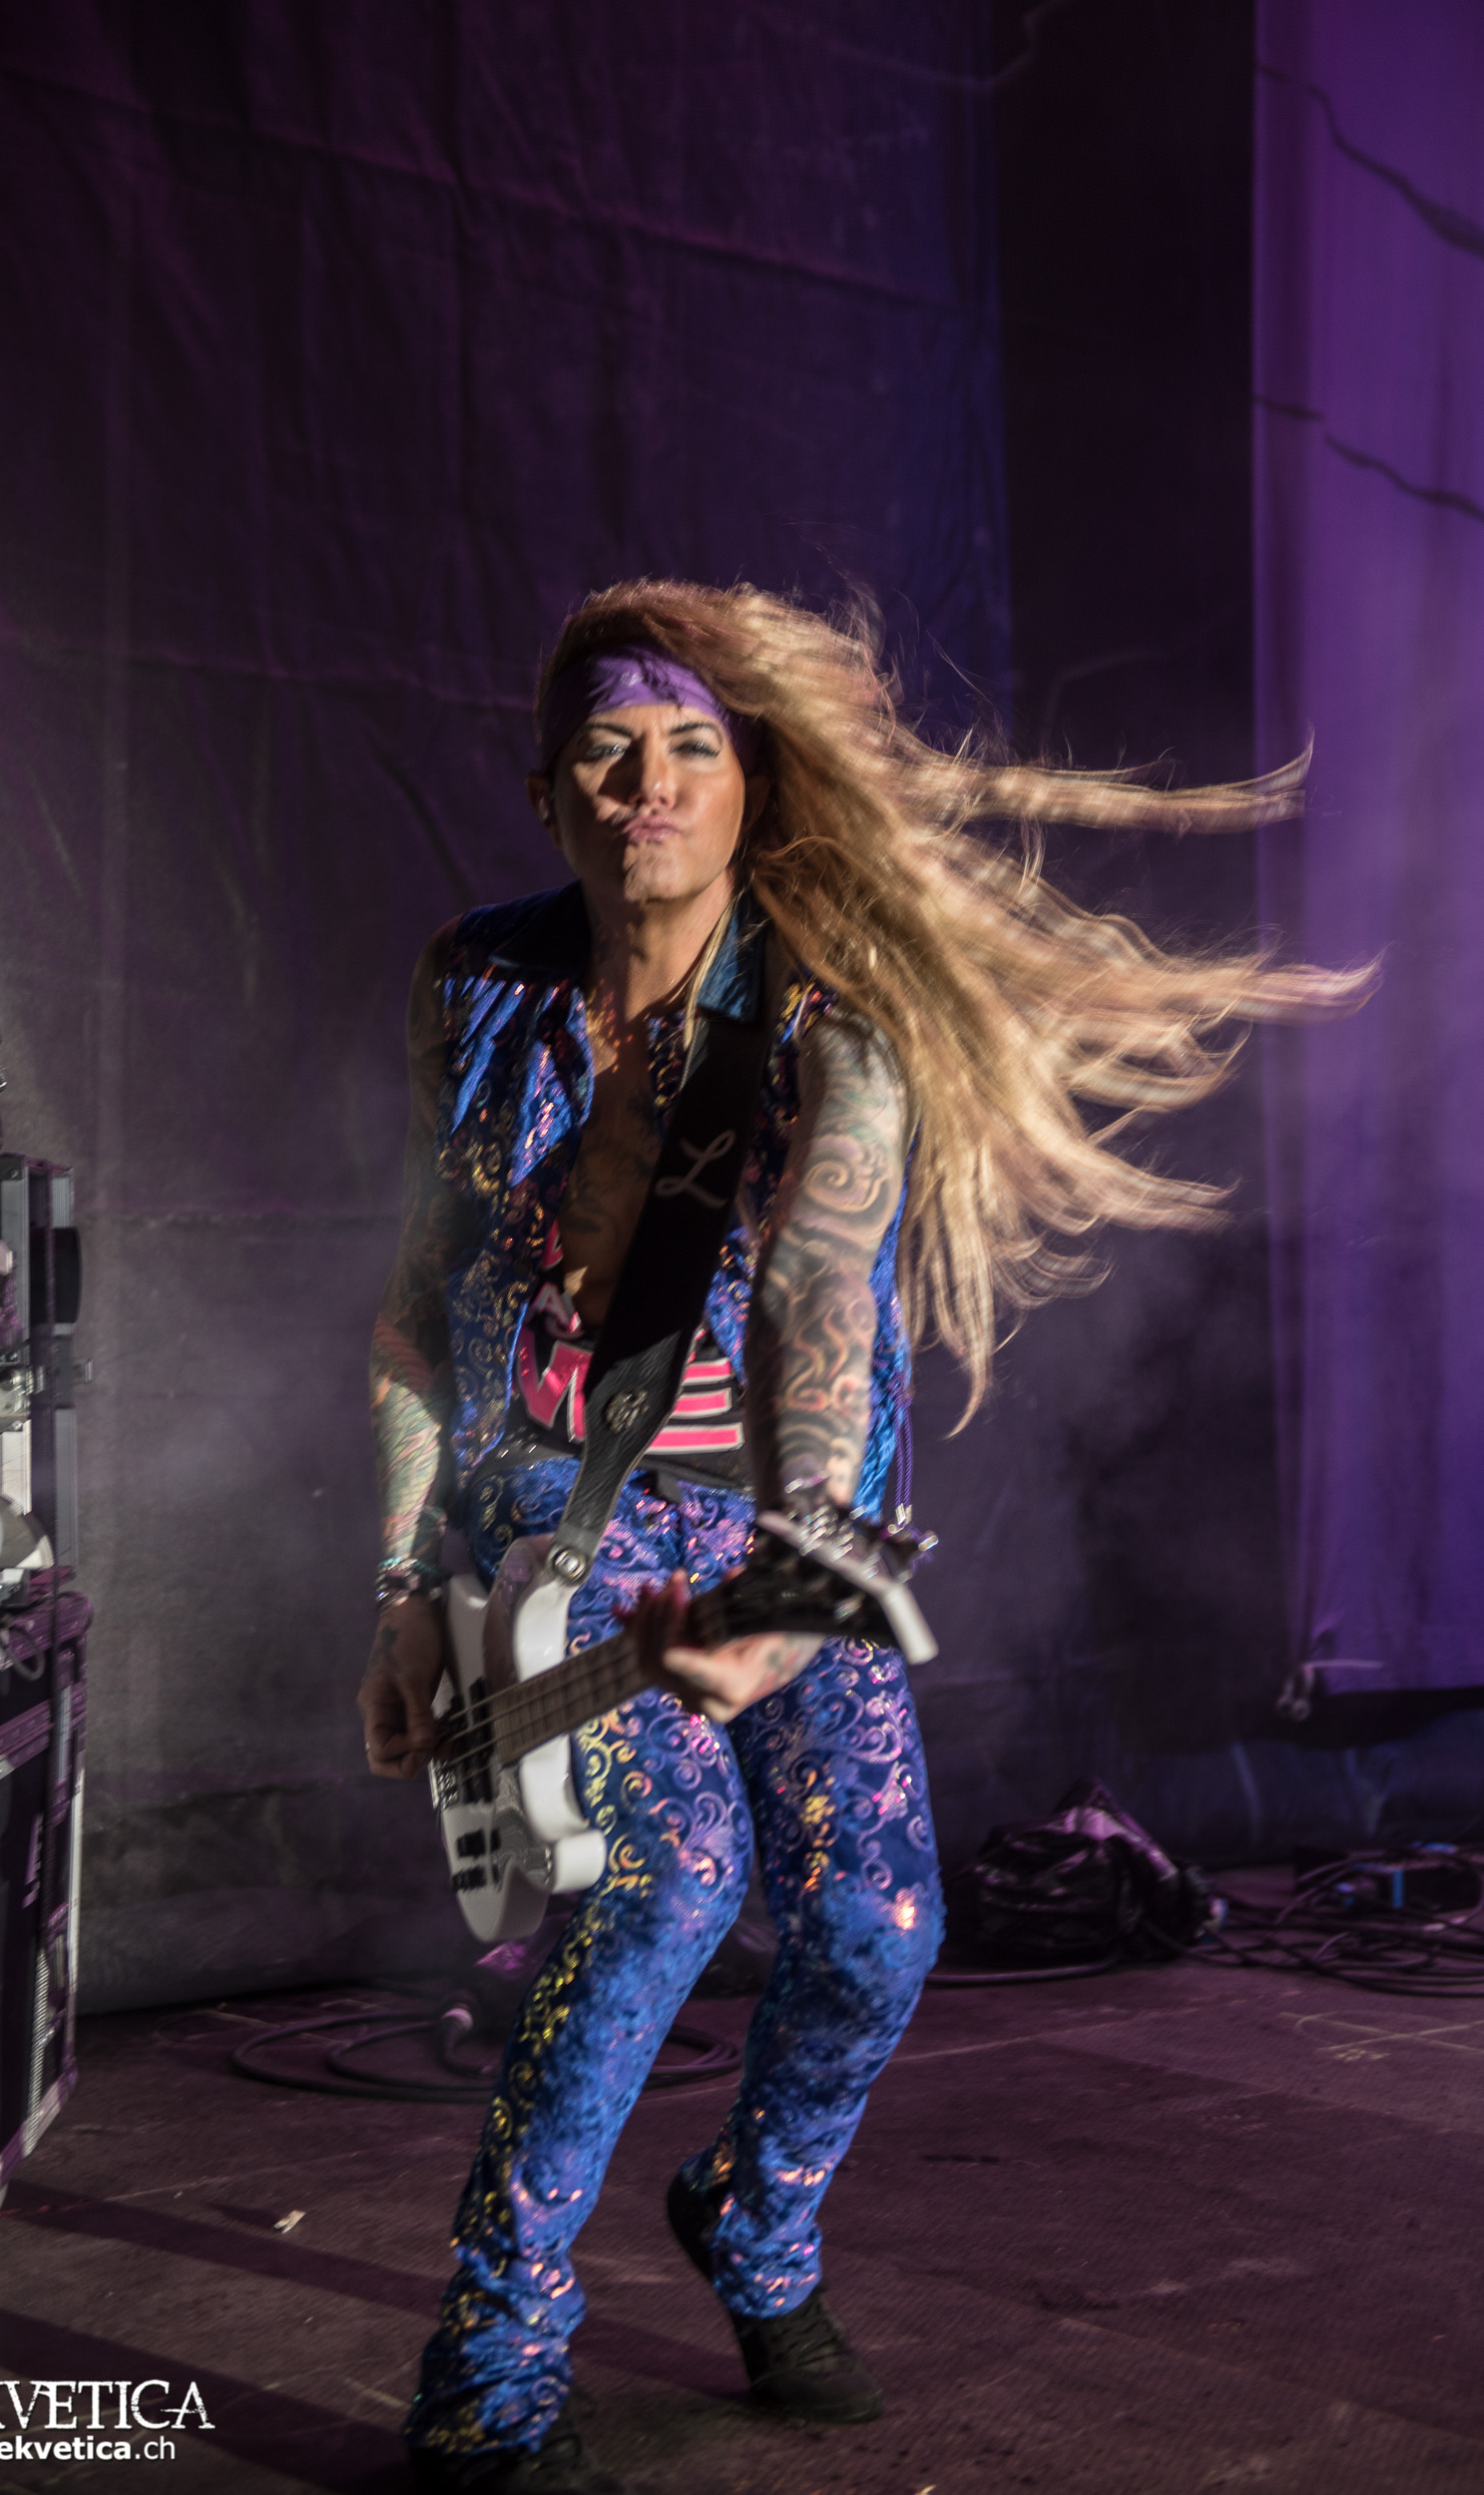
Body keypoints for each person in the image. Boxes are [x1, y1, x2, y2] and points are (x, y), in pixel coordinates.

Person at [358, 581, 1363, 2495]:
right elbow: (418, 1303)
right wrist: (407, 1592)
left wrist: (800, 1566)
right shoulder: (473, 987)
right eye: (606, 752)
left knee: (877, 1924)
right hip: (548, 1514)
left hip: (779, 1519)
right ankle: (487, 2362)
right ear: (546, 789)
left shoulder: (829, 1025)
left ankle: (752, 2224)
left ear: (750, 784)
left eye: (691, 748)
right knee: (664, 1883)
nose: (648, 786)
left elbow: (826, 1295)